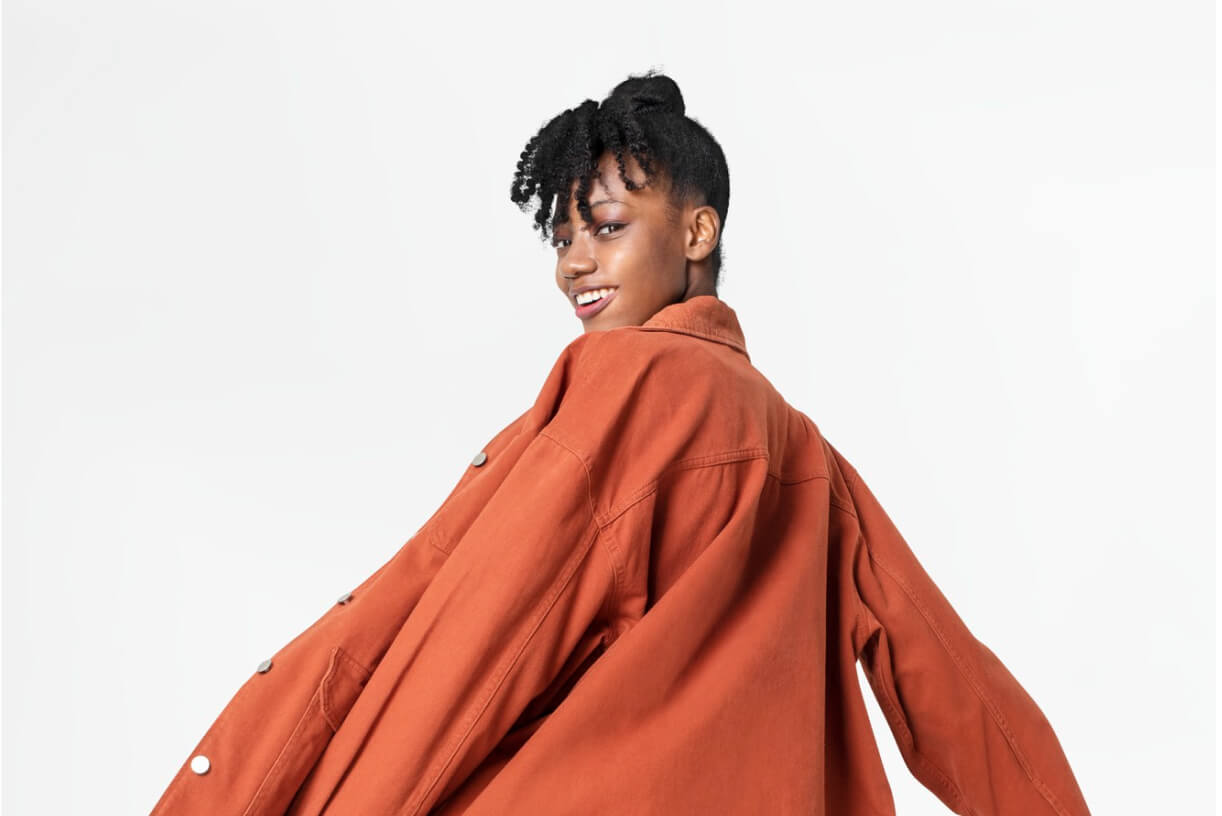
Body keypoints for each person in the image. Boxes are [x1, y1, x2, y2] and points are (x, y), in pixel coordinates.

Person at [148, 70, 1092, 815]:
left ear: (698, 230)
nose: (574, 263)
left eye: (605, 227)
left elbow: (482, 641)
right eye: (561, 238)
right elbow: (952, 687)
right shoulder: (805, 453)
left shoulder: (632, 383)